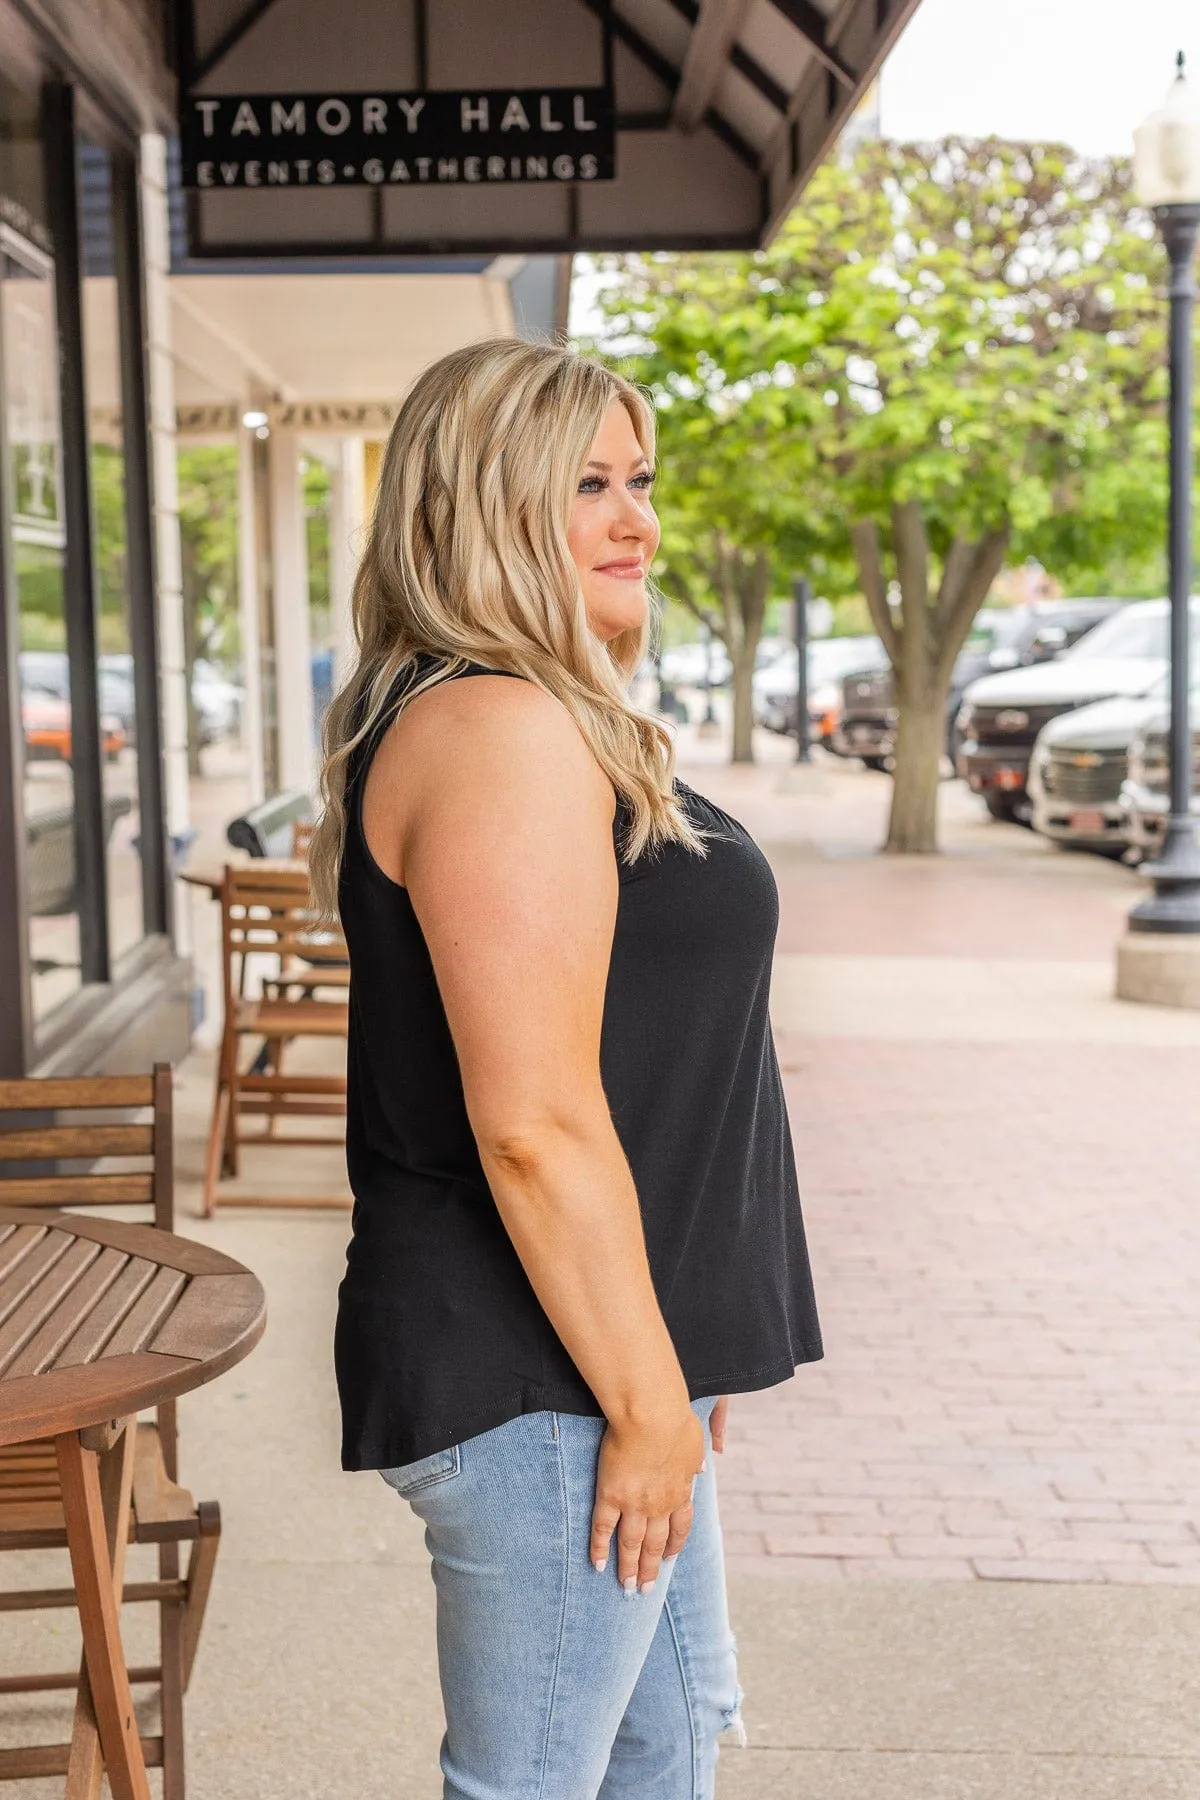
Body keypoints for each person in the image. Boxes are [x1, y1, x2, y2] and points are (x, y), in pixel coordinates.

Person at [309, 338, 822, 1800]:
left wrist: (666, 1357)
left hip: (599, 1359)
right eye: (586, 484)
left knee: (659, 1763)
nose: (634, 519)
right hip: (542, 1379)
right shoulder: (499, 728)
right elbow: (530, 1122)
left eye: (639, 480)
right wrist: (647, 1397)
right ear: (483, 511)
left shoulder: (522, 715)